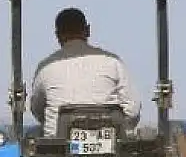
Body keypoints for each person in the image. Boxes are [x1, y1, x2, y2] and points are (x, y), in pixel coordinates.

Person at [29, 7, 141, 136]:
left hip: (60, 146)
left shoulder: (46, 67)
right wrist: (119, 129)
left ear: (57, 35)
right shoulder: (112, 62)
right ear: (87, 30)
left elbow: (37, 109)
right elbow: (133, 109)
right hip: (110, 142)